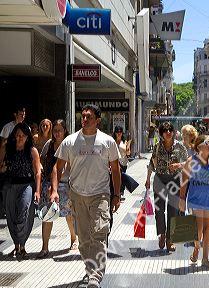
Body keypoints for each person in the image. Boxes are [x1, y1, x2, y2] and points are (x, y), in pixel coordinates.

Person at [50, 104, 121, 288]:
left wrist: (116, 195)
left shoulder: (107, 141)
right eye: (83, 116)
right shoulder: (70, 141)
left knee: (98, 234)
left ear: (98, 120)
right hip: (78, 195)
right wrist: (55, 190)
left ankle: (95, 276)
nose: (85, 119)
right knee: (83, 238)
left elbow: (115, 169)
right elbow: (57, 168)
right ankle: (90, 271)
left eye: (89, 116)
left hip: (101, 195)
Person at [179, 135, 209, 269]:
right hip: (196, 199)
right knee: (198, 230)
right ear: (199, 146)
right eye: (207, 142)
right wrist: (182, 199)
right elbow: (184, 182)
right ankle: (196, 247)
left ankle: (205, 259)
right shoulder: (191, 161)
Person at [37, 120, 77, 259]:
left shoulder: (69, 145)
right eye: (55, 130)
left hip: (65, 185)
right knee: (47, 215)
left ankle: (73, 238)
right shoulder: (49, 144)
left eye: (60, 130)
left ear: (65, 130)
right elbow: (42, 160)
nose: (57, 133)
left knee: (68, 215)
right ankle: (45, 247)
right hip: (48, 185)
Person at [145, 122, 188, 252]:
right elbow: (152, 163)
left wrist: (179, 165)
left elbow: (188, 162)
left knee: (173, 210)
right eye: (165, 130)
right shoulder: (157, 146)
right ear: (162, 133)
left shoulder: (180, 146)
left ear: (173, 132)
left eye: (170, 130)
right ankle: (162, 234)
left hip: (174, 180)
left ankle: (170, 238)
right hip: (159, 180)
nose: (168, 132)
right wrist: (147, 179)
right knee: (159, 209)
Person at [4, 123, 41, 258]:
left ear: (27, 137)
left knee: (24, 213)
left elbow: (37, 172)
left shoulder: (32, 150)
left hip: (27, 185)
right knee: (11, 215)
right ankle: (16, 246)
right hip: (11, 185)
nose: (20, 138)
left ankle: (23, 244)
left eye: (23, 136)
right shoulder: (9, 149)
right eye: (18, 135)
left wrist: (37, 191)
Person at [112, 126, 128, 200]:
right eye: (117, 132)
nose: (119, 134)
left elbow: (128, 153)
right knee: (115, 177)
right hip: (115, 162)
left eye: (120, 132)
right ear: (115, 133)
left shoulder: (124, 142)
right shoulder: (112, 141)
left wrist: (127, 150)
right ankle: (115, 192)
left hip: (123, 162)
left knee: (122, 178)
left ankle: (121, 192)